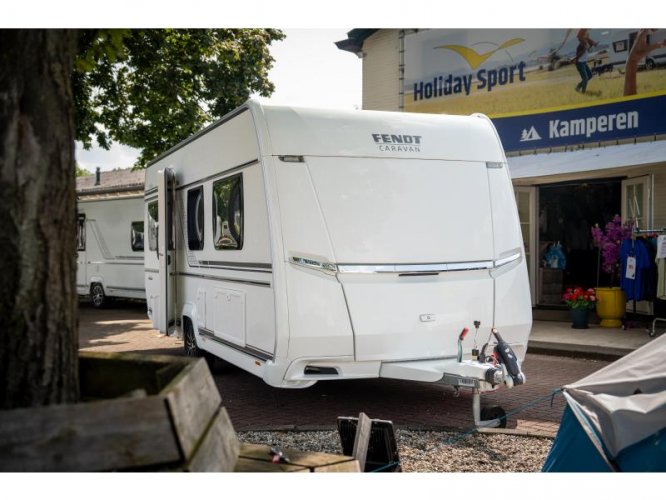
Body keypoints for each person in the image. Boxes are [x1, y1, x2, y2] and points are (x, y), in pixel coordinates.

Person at [574, 29, 598, 93]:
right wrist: (585, 49)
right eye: (586, 34)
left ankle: (578, 87)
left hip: (584, 63)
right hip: (580, 63)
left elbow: (590, 45)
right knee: (585, 79)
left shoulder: (586, 42)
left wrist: (594, 44)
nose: (588, 35)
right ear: (583, 36)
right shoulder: (581, 45)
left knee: (590, 76)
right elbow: (578, 55)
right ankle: (583, 93)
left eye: (588, 34)